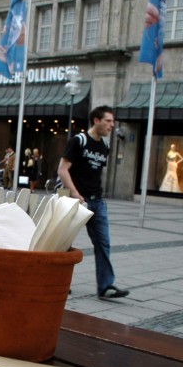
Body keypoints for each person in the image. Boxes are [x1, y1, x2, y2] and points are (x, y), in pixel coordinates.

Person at [58, 105, 129, 299]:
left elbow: (94, 173)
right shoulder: (79, 141)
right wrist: (75, 194)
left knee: (103, 243)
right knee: (64, 243)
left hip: (97, 202)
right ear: (97, 121)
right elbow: (62, 169)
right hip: (75, 201)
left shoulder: (104, 145)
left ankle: (105, 286)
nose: (112, 125)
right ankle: (58, 280)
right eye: (108, 121)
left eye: (113, 122)